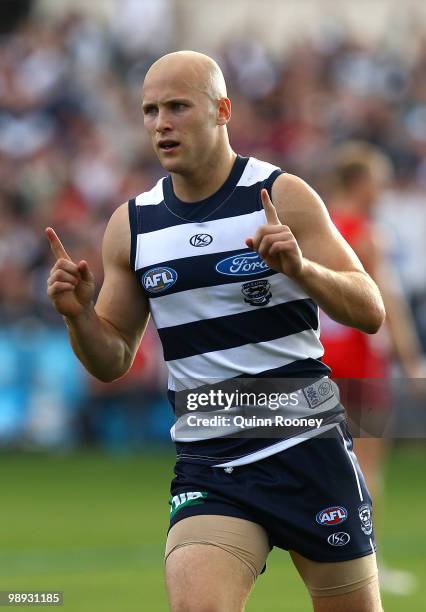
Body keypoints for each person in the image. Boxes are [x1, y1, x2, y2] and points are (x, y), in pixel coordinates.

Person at [46, 51, 386, 612]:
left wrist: (303, 270)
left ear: (223, 109)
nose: (162, 123)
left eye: (178, 106)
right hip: (212, 460)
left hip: (308, 447)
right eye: (151, 110)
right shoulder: (132, 225)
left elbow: (370, 309)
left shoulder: (282, 196)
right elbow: (111, 360)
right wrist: (77, 315)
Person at [321, 142, 425, 595]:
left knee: (320, 465)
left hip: (317, 362)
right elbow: (388, 304)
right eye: (378, 181)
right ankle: (367, 565)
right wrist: (411, 358)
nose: (381, 191)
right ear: (360, 182)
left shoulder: (314, 228)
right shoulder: (365, 233)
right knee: (366, 469)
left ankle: (320, 551)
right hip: (360, 364)